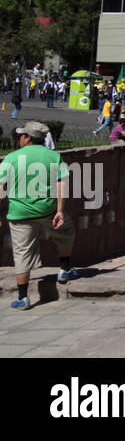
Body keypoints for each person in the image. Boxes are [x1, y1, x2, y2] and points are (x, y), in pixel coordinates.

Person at [1, 123, 78, 309]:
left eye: (21, 136)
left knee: (21, 253)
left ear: (28, 138)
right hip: (47, 210)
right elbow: (61, 184)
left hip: (19, 212)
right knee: (66, 233)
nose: (19, 139)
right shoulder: (53, 156)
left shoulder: (11, 158)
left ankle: (23, 297)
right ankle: (65, 268)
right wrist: (60, 211)